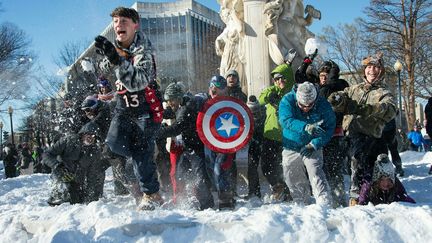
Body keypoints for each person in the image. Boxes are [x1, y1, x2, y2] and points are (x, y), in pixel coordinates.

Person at [95, 7, 164, 210]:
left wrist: (118, 60)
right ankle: (142, 172)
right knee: (113, 146)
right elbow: (103, 70)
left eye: (123, 21)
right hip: (123, 109)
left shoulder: (145, 51)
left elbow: (138, 82)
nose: (118, 25)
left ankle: (152, 194)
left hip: (146, 109)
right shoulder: (116, 46)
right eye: (116, 21)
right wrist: (109, 58)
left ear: (135, 25)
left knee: (141, 151)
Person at [328, 52, 397, 206]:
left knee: (367, 167)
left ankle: (361, 197)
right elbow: (341, 97)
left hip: (371, 138)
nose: (372, 70)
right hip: (349, 136)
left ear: (381, 70)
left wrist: (363, 109)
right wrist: (336, 98)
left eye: (376, 67)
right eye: (369, 67)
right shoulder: (354, 89)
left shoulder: (384, 92)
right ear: (364, 70)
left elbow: (389, 109)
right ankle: (343, 196)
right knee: (339, 164)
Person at [156, 82, 214, 210]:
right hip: (188, 148)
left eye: (170, 100)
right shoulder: (183, 104)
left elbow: (178, 128)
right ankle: (184, 200)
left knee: (200, 178)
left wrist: (157, 132)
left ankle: (207, 205)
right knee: (180, 174)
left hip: (198, 148)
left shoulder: (187, 107)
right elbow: (172, 114)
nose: (169, 104)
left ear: (178, 97)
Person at [279, 81, 335, 206]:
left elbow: (329, 128)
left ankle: (324, 202)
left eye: (309, 105)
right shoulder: (287, 100)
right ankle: (301, 201)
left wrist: (315, 143)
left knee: (315, 171)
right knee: (291, 174)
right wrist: (305, 127)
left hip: (312, 145)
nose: (306, 108)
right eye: (302, 105)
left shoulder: (323, 105)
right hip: (291, 144)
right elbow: (285, 120)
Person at [42, 122, 104, 205]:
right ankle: (57, 194)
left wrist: (91, 196)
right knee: (60, 198)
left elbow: (92, 176)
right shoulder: (67, 140)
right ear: (82, 134)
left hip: (77, 181)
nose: (90, 138)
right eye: (88, 134)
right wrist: (56, 165)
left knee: (77, 200)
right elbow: (47, 154)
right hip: (61, 174)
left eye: (93, 136)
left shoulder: (95, 152)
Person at [258, 63, 294, 202]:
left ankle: (288, 190)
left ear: (288, 78)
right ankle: (278, 186)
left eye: (282, 78)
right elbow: (261, 98)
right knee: (266, 166)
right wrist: (270, 94)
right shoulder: (272, 90)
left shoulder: (293, 94)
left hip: (287, 137)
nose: (279, 81)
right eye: (276, 79)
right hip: (269, 135)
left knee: (286, 166)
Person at [317, 60, 349, 207]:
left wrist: (332, 79)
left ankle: (338, 196)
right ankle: (327, 195)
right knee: (323, 167)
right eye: (321, 75)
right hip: (321, 134)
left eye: (326, 75)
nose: (323, 78)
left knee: (335, 166)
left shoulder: (338, 85)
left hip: (336, 132)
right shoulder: (319, 88)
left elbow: (340, 89)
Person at [203, 75, 238, 209]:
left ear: (224, 90)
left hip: (225, 142)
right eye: (212, 87)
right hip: (209, 141)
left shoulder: (231, 103)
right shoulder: (203, 101)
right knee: (211, 169)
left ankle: (226, 198)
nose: (214, 91)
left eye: (217, 88)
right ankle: (221, 196)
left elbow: (239, 121)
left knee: (221, 168)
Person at [245, 95, 266, 199]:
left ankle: (280, 189)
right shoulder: (245, 118)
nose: (254, 115)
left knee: (267, 167)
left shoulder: (265, 113)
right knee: (252, 167)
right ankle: (254, 192)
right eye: (252, 113)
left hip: (266, 141)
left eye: (256, 112)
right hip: (254, 144)